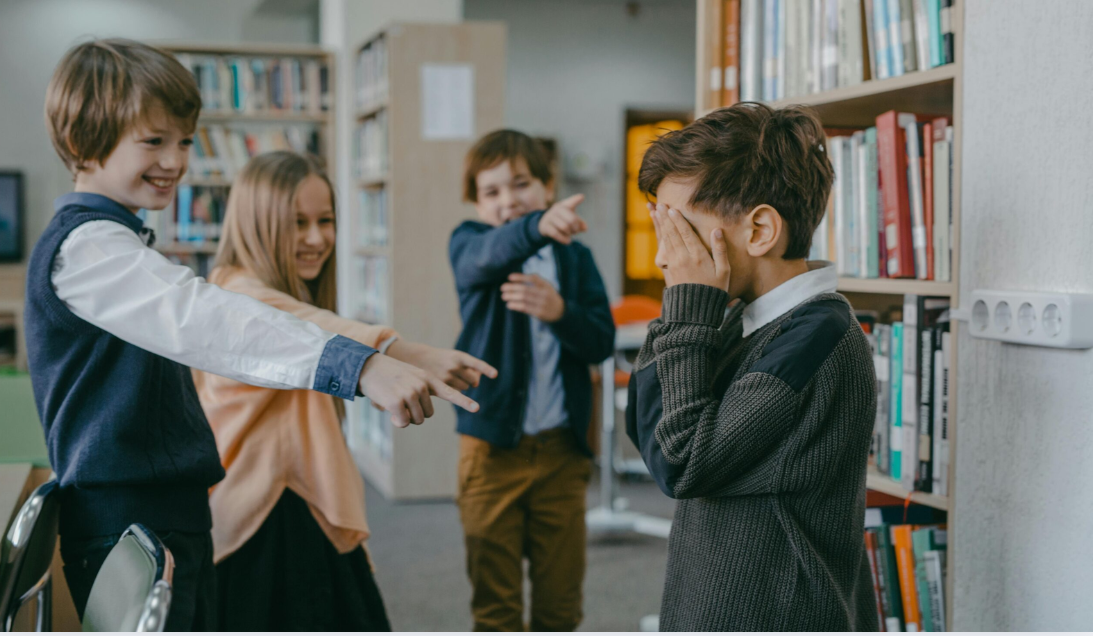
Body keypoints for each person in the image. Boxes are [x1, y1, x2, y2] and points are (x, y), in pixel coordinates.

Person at [26, 38, 476, 630]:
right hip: (132, 519)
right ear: (85, 138)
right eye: (154, 141)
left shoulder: (119, 239)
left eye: (184, 141)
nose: (176, 160)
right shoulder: (86, 248)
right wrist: (361, 364)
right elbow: (203, 317)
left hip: (161, 511)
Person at [193, 151, 496, 630]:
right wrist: (404, 353)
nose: (316, 239)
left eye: (325, 220)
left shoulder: (259, 288)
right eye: (296, 223)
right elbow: (311, 329)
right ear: (256, 224)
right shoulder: (238, 296)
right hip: (268, 513)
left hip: (287, 501)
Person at [626, 102, 879, 631]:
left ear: (760, 230)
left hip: (775, 614)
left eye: (682, 231)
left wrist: (688, 308)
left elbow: (683, 463)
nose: (666, 258)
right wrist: (687, 311)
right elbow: (650, 427)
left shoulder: (818, 340)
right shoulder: (740, 319)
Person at [448, 129, 615, 631]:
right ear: (475, 204)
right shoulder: (471, 243)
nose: (508, 200)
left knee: (559, 608)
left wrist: (561, 312)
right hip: (491, 454)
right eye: (491, 192)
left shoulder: (576, 258)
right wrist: (537, 226)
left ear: (548, 185)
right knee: (495, 607)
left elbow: (601, 341)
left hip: (562, 456)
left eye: (521, 184)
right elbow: (488, 253)